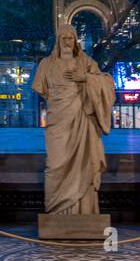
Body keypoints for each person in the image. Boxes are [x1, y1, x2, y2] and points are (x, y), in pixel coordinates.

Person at [32, 24, 115, 214]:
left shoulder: (85, 63)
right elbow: (40, 88)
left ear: (75, 41)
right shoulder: (46, 64)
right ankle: (56, 208)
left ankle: (82, 209)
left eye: (70, 38)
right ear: (58, 41)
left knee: (84, 162)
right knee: (55, 163)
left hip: (81, 120)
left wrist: (85, 78)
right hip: (57, 120)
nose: (67, 42)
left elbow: (107, 83)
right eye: (63, 38)